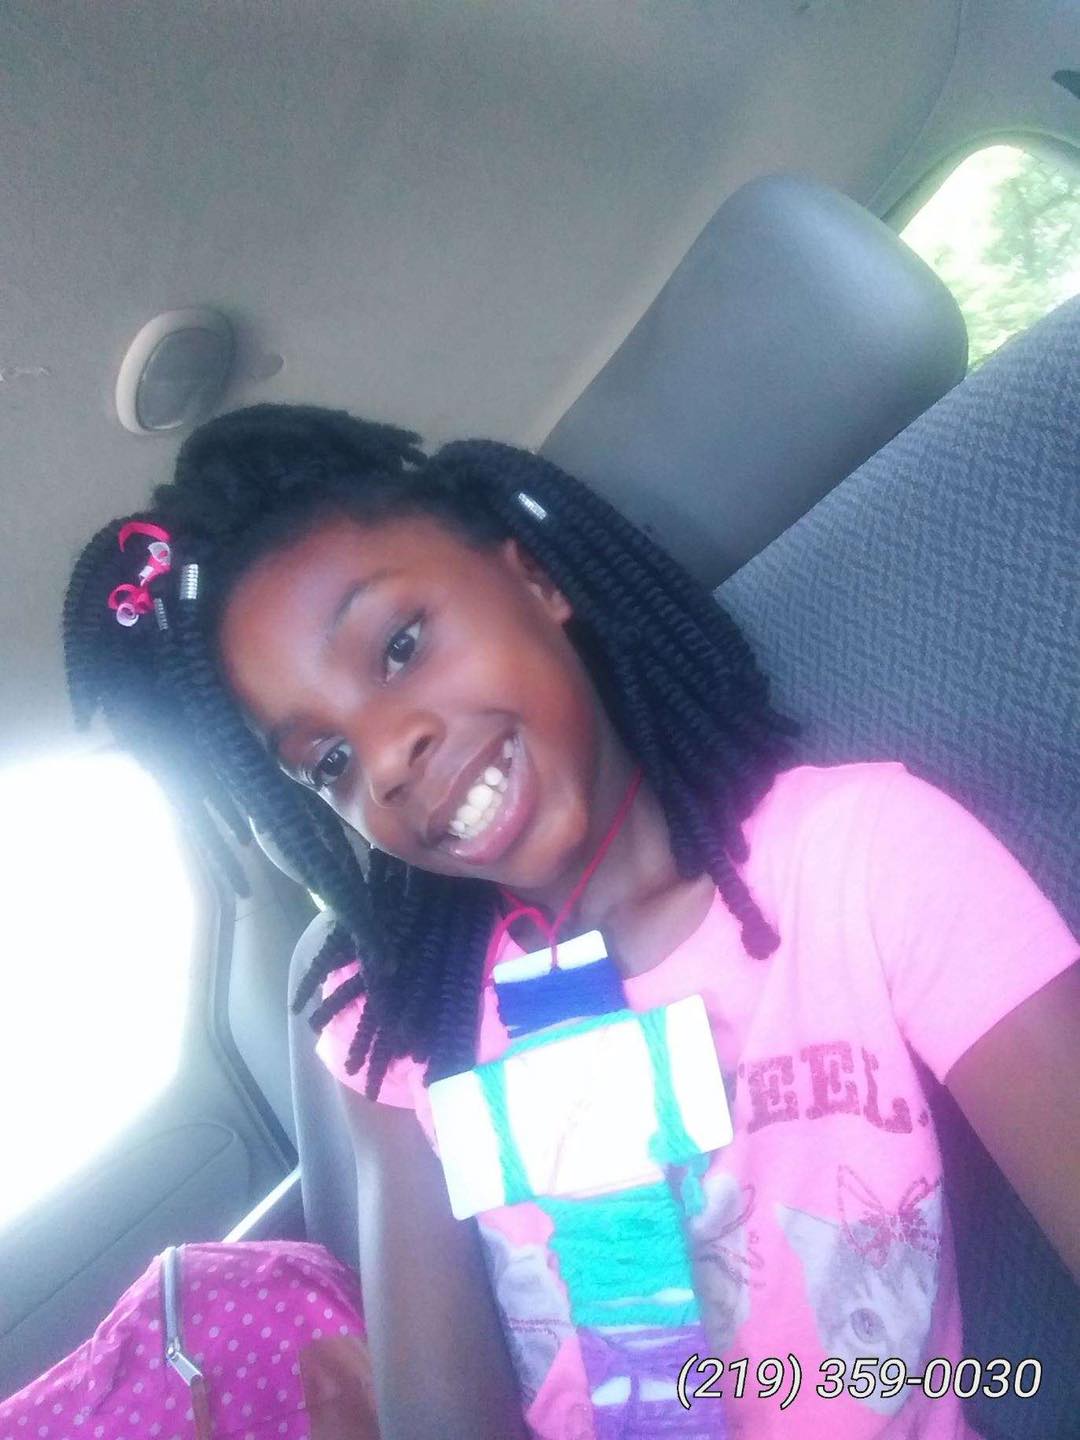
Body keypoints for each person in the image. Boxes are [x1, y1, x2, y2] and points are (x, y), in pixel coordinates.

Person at [62, 403, 1079, 1440]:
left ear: (537, 579)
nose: (385, 760)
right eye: (328, 762)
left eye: (401, 646)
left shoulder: (862, 861)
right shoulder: (402, 1035)